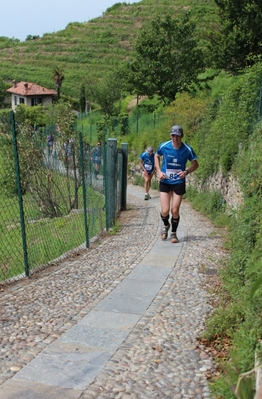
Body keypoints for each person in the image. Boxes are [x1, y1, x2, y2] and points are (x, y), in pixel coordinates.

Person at [154, 125, 199, 243]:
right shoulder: (164, 146)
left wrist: (186, 171)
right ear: (170, 136)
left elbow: (195, 164)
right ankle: (165, 226)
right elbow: (156, 155)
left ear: (182, 136)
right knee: (165, 210)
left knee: (174, 210)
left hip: (178, 182)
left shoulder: (187, 149)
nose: (175, 138)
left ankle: (173, 233)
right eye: (173, 136)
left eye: (177, 136)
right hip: (165, 181)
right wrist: (159, 171)